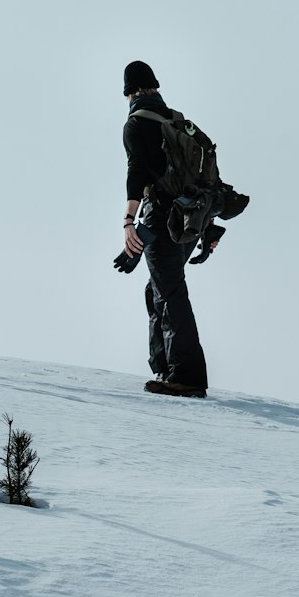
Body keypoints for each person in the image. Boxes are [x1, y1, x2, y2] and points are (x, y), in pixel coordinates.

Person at [121, 61, 209, 399]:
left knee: (170, 291)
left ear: (130, 91)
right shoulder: (179, 121)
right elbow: (204, 175)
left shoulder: (136, 123)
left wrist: (129, 220)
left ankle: (186, 376)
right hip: (192, 219)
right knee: (157, 288)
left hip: (162, 217)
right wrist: (209, 228)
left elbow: (136, 170)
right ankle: (165, 366)